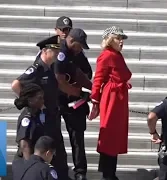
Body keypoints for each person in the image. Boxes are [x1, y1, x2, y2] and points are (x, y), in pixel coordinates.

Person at [11, 35, 71, 180]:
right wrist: (30, 102)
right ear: (45, 50)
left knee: (59, 155)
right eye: (54, 51)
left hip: (51, 116)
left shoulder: (50, 69)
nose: (57, 54)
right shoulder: (36, 69)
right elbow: (15, 85)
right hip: (40, 116)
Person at [88, 26, 131, 180]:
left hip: (118, 98)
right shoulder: (106, 56)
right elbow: (98, 79)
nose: (121, 42)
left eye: (122, 39)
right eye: (118, 38)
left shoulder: (117, 55)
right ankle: (108, 173)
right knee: (110, 136)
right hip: (111, 98)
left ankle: (108, 172)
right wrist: (95, 101)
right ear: (110, 40)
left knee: (115, 135)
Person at [55, 16, 92, 180]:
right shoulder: (57, 51)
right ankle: (59, 170)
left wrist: (81, 84)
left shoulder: (77, 52)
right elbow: (58, 81)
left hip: (72, 102)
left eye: (67, 29)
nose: (64, 32)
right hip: (56, 100)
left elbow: (87, 72)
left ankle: (80, 172)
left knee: (77, 138)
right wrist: (78, 91)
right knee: (53, 136)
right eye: (62, 30)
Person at [13, 83, 45, 161]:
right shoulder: (27, 119)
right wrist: (30, 166)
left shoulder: (37, 114)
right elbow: (24, 146)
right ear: (30, 100)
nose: (42, 100)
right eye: (39, 98)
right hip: (26, 162)